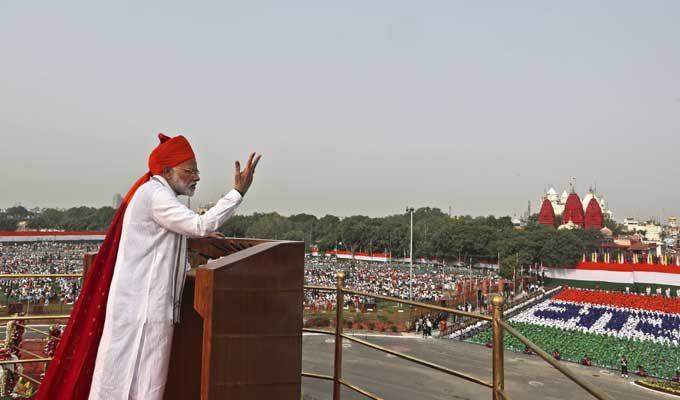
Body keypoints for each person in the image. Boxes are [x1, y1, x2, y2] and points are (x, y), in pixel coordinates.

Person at [37, 134, 261, 400]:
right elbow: (200, 224)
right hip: (141, 310)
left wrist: (194, 237)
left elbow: (170, 233)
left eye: (197, 171)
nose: (197, 177)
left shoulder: (155, 194)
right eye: (190, 170)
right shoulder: (156, 195)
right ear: (167, 171)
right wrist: (238, 192)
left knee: (131, 379)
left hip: (142, 307)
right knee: (137, 383)